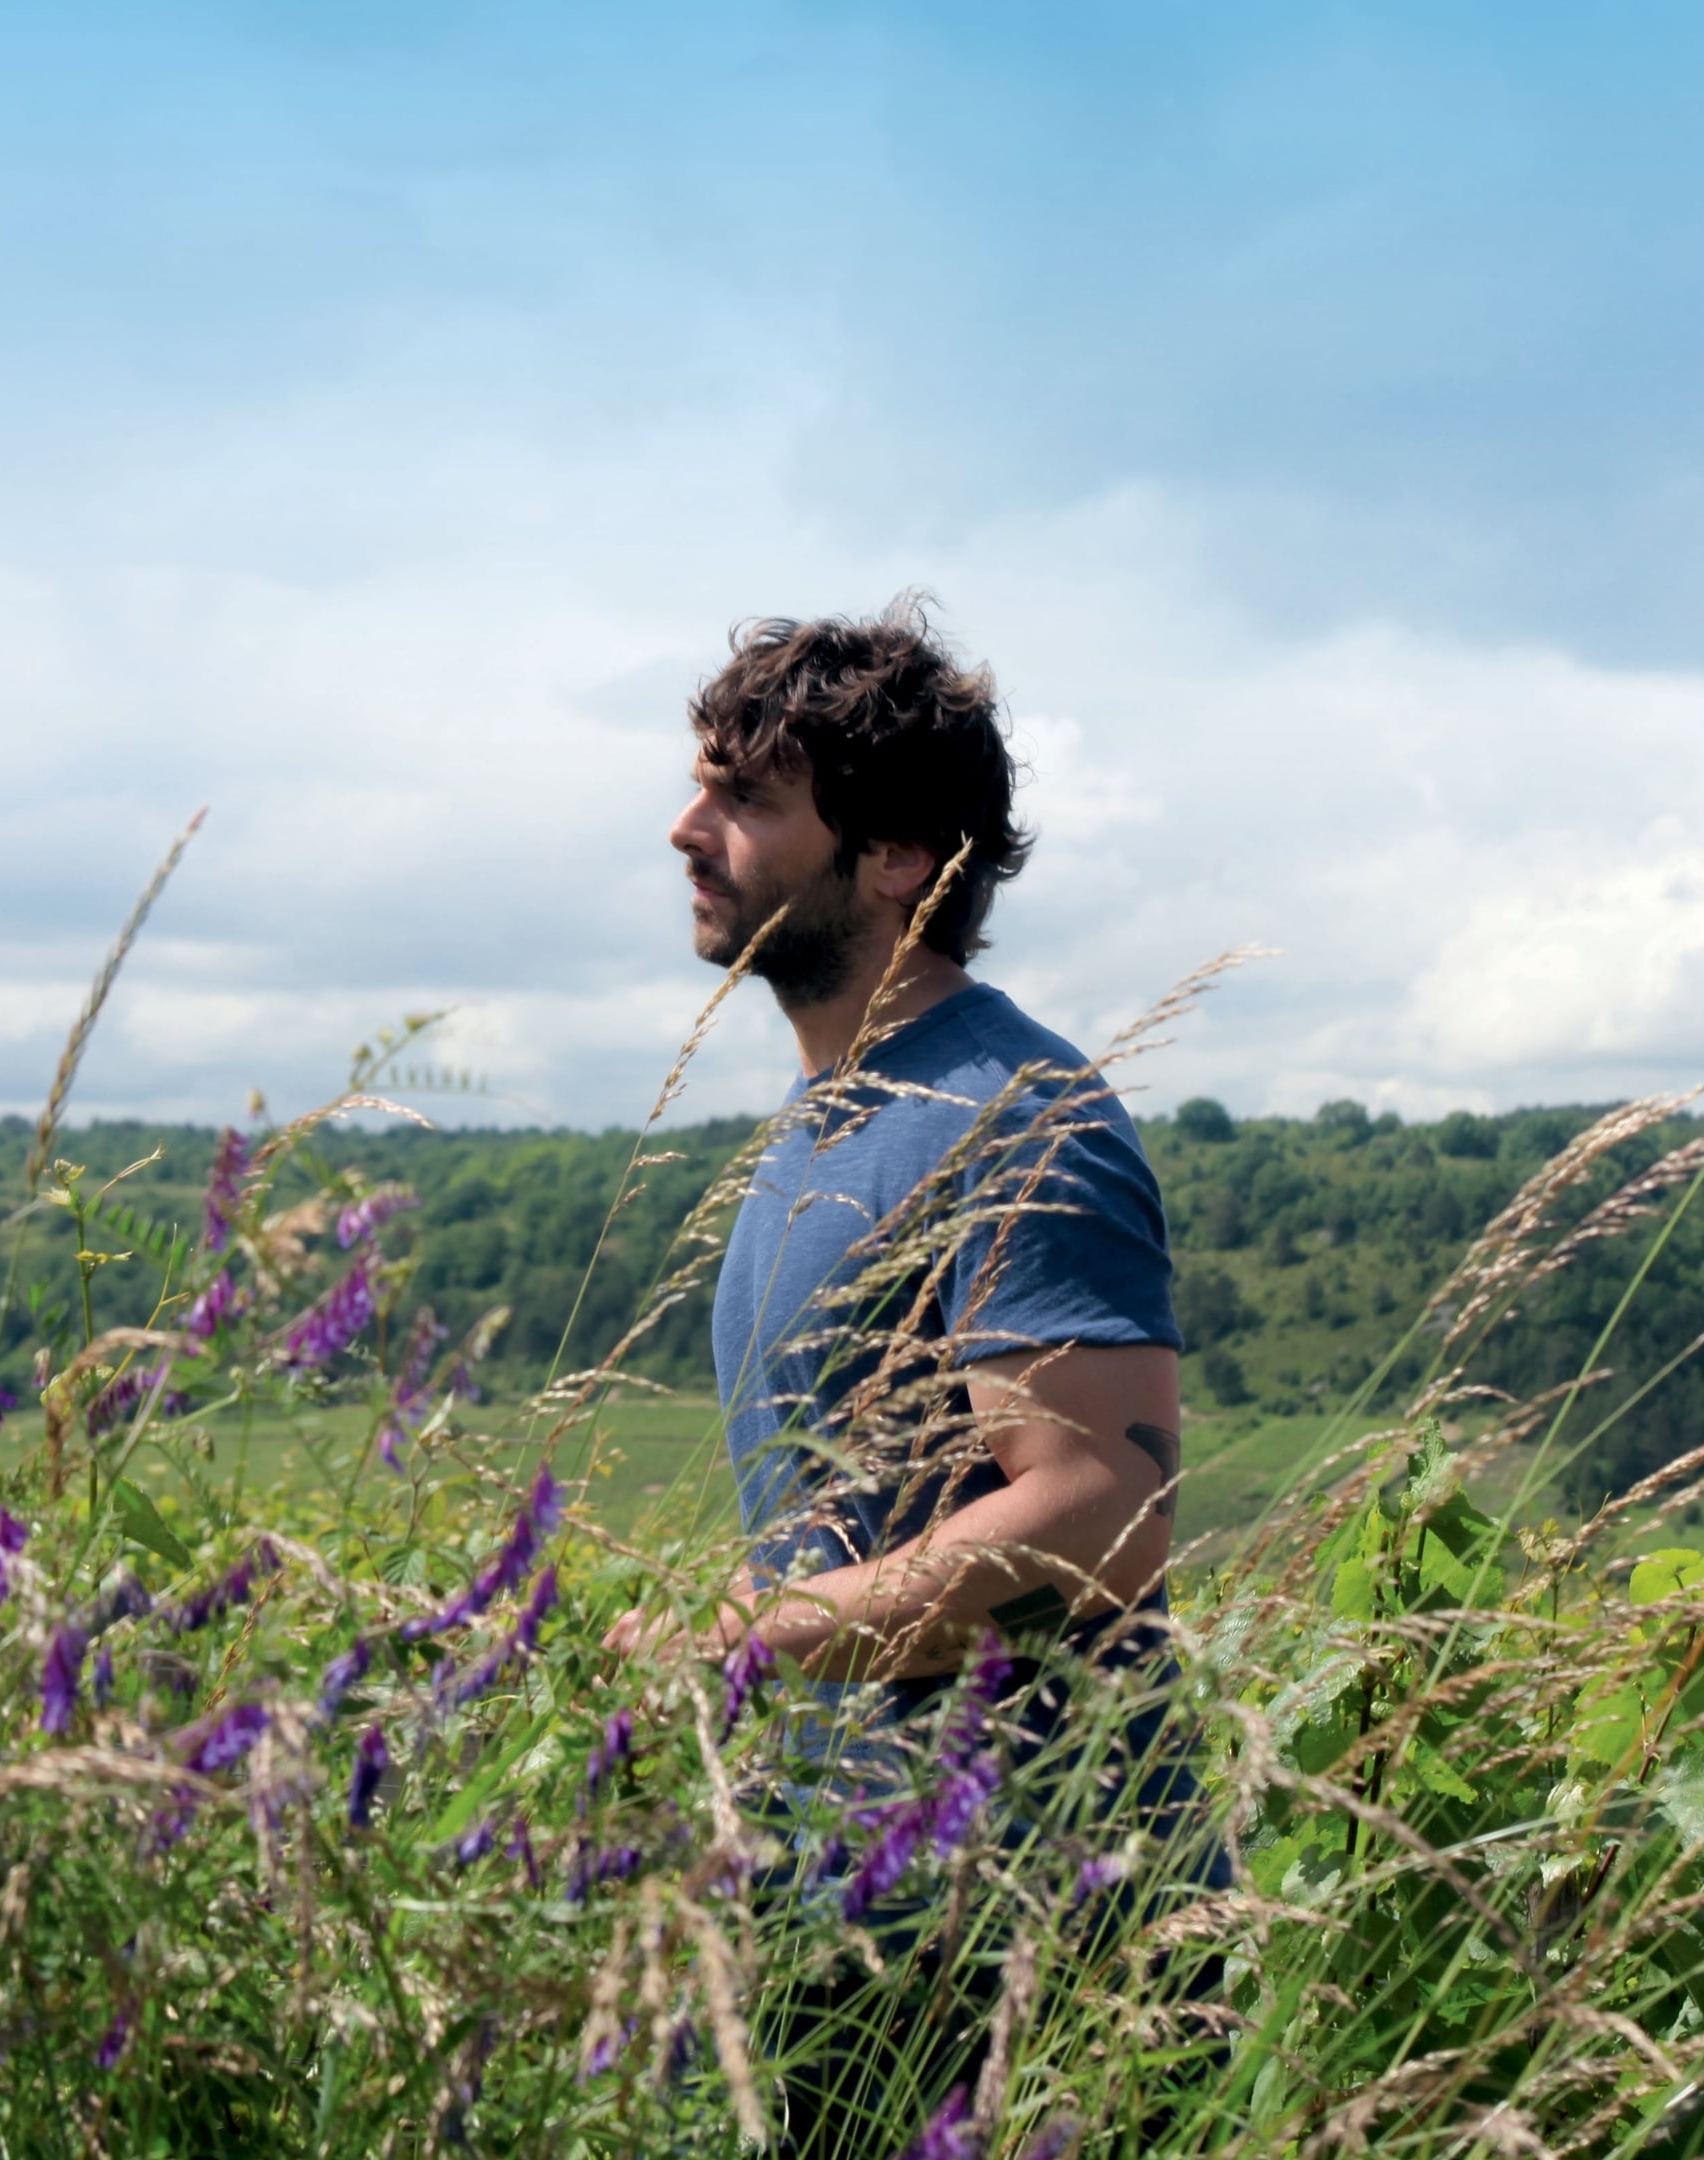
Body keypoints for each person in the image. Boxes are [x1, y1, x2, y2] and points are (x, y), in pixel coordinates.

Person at [612, 600, 1220, 2151]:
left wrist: (745, 1638)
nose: (687, 828)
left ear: (895, 856)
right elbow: (857, 1512)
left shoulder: (1015, 1115)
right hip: (854, 1908)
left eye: (747, 797)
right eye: (701, 785)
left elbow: (1100, 1512)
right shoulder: (830, 1122)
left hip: (1027, 1920)